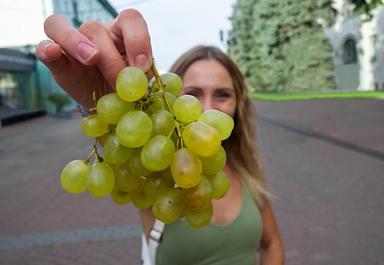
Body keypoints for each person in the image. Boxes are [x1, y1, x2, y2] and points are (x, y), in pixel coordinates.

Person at [36, 9, 285, 265]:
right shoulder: (158, 173)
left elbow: (272, 243)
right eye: (193, 94)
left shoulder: (247, 169)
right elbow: (127, 147)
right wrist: (103, 101)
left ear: (238, 102)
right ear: (168, 99)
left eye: (222, 94)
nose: (208, 107)